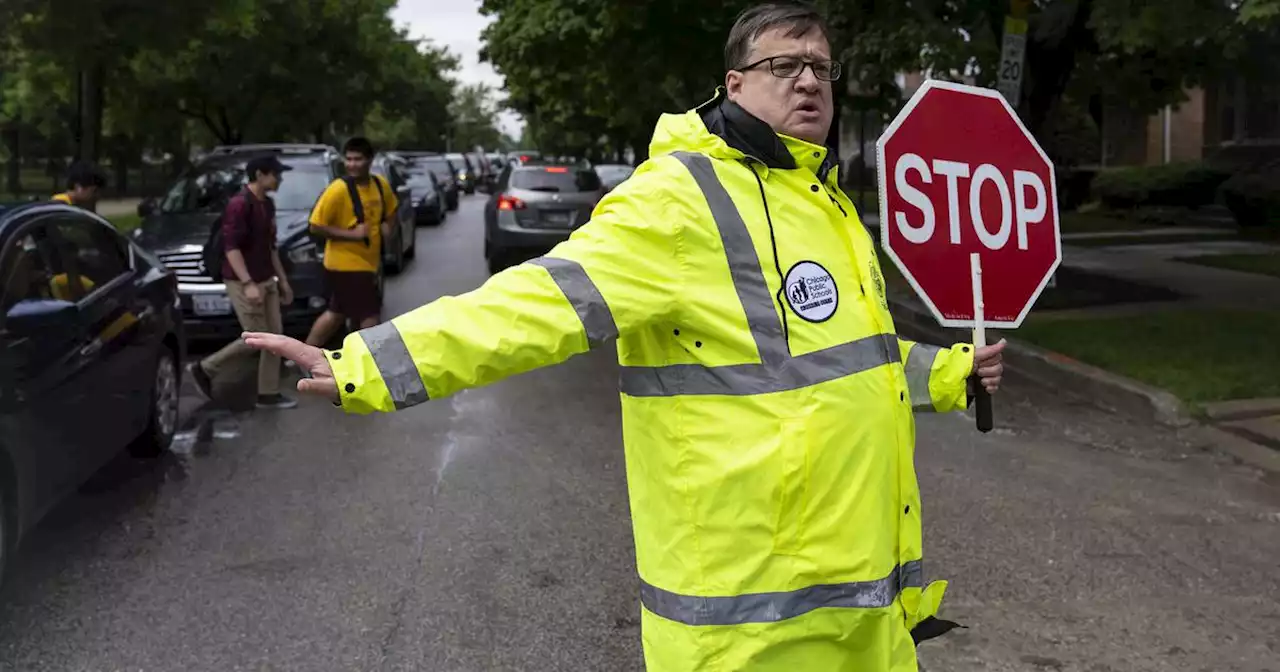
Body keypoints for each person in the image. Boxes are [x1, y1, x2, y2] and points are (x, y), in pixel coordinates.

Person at [246, 3, 1006, 669]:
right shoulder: (680, 199)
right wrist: (366, 363)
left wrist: (949, 373)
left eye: (821, 68)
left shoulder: (828, 208)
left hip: (865, 606)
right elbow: (535, 305)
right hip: (751, 621)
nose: (809, 81)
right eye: (784, 64)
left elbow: (850, 361)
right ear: (734, 84)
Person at [189, 156, 298, 410]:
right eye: (276, 174)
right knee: (256, 336)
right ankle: (205, 368)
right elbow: (231, 248)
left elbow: (271, 248)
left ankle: (268, 394)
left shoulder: (267, 205)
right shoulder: (239, 205)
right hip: (242, 280)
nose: (280, 179)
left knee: (275, 338)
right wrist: (248, 283)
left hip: (265, 279)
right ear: (260, 175)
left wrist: (282, 281)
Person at [304, 136, 397, 348]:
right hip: (345, 264)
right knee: (370, 318)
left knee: (336, 314)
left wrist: (388, 229)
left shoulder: (379, 185)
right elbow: (315, 226)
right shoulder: (338, 190)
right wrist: (352, 235)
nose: (352, 165)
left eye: (358, 159)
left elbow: (392, 210)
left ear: (370, 160)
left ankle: (303, 357)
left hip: (368, 263)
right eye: (349, 159)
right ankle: (369, 363)